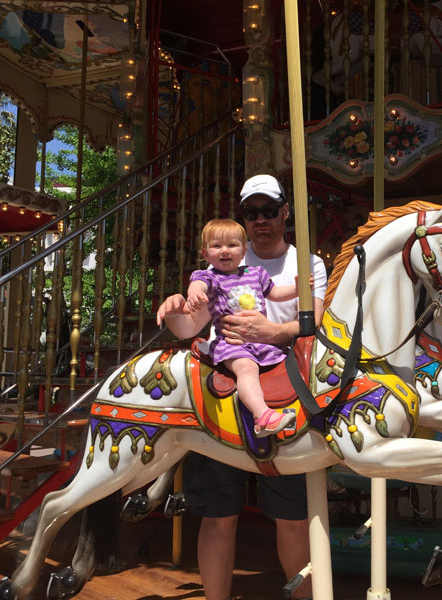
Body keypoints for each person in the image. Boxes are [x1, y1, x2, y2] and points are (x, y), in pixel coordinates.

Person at [156, 173, 328, 600]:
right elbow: (192, 324)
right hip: (230, 380)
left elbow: (316, 322)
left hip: (284, 378)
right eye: (252, 213)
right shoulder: (225, 259)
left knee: (292, 514)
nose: (261, 220)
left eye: (270, 210)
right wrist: (176, 308)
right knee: (218, 513)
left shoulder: (307, 264)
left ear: (285, 212)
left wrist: (272, 330)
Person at [158, 218, 299, 437]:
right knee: (246, 368)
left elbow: (276, 294)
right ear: (205, 254)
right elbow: (199, 284)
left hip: (261, 343)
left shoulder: (257, 273)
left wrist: (297, 289)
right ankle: (262, 416)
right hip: (232, 345)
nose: (225, 251)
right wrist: (194, 292)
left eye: (232, 245)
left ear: (243, 250)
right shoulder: (211, 277)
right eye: (217, 246)